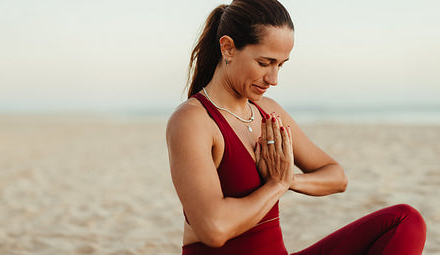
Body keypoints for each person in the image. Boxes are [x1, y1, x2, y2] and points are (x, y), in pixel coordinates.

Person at [165, 0, 427, 254]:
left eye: (280, 65)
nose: (273, 78)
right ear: (228, 48)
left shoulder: (268, 111)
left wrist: (289, 180)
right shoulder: (193, 121)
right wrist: (275, 186)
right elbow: (214, 229)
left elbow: (336, 177)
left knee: (405, 220)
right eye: (264, 63)